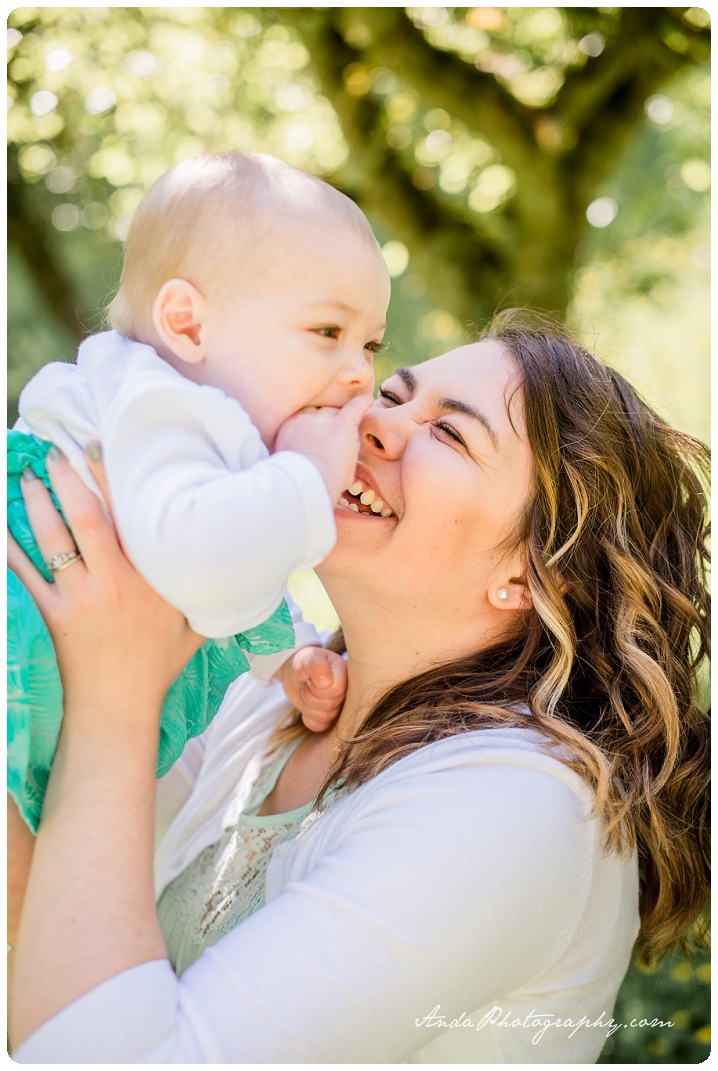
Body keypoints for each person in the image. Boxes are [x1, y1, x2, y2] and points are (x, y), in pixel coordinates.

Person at [8, 313, 709, 1062]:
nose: (372, 421)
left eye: (450, 434)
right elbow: (59, 913)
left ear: (537, 572)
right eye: (393, 394)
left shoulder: (521, 806)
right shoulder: (273, 696)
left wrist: (114, 698)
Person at [8, 151, 390, 833]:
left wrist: (287, 655)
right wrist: (307, 476)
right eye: (328, 332)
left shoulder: (184, 425)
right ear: (187, 324)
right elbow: (196, 554)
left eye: (370, 345)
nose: (360, 373)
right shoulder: (163, 404)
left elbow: (221, 541)